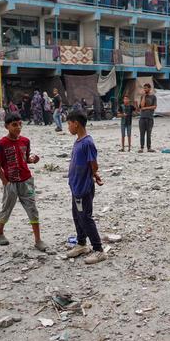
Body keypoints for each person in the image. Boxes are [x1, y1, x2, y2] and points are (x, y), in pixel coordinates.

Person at [0, 113, 47, 251]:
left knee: (32, 209)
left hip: (26, 180)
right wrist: (5, 182)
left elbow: (25, 158)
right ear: (7, 126)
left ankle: (38, 240)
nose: (18, 127)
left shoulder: (25, 141)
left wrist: (32, 160)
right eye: (14, 125)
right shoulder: (1, 144)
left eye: (20, 124)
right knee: (7, 207)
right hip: (10, 182)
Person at [65, 111, 106, 264]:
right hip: (76, 186)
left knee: (85, 217)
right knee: (77, 216)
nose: (68, 127)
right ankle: (82, 244)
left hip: (83, 188)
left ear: (76, 123)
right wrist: (94, 175)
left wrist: (94, 174)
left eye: (69, 124)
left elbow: (93, 164)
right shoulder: (78, 141)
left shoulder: (87, 143)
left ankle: (98, 250)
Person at [138, 83, 157, 153]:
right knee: (142, 134)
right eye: (144, 88)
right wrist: (144, 97)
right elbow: (141, 106)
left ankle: (149, 148)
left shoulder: (153, 97)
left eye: (146, 88)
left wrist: (146, 108)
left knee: (149, 134)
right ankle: (142, 148)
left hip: (150, 118)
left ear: (149, 88)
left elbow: (154, 106)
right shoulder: (142, 96)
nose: (145, 89)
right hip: (142, 118)